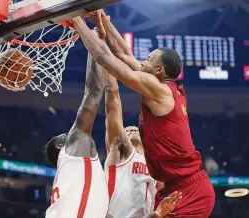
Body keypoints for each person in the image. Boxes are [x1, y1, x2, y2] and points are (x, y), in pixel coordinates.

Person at [70, 11, 215, 217]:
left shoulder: (158, 90)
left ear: (159, 70)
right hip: (174, 186)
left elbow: (105, 58)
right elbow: (124, 54)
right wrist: (102, 21)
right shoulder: (161, 86)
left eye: (148, 59)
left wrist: (76, 21)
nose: (142, 61)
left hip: (190, 190)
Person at [44, 50, 109, 218]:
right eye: (65, 134)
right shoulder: (73, 148)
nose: (71, 132)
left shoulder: (71, 176)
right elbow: (94, 90)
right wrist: (93, 44)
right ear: (61, 146)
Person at [104, 71, 157, 218]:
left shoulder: (155, 166)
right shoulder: (119, 152)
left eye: (135, 130)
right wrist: (109, 67)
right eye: (127, 131)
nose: (132, 130)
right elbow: (112, 105)